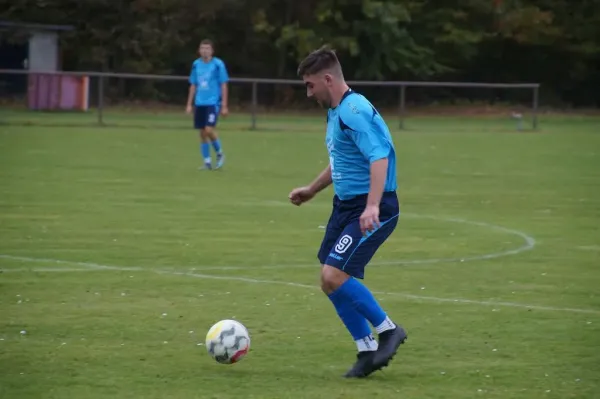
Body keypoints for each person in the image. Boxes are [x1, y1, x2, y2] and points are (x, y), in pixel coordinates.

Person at [288, 47, 407, 378]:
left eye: (311, 85)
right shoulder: (335, 110)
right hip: (346, 206)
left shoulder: (353, 110)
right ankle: (366, 350)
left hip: (374, 206)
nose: (308, 92)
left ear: (327, 79)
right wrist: (312, 189)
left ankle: (388, 330)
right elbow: (341, 160)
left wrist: (371, 206)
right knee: (329, 280)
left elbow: (379, 156)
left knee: (333, 275)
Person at [186, 39, 229, 170]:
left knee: (209, 129)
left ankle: (220, 153)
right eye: (202, 48)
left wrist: (224, 105)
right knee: (202, 133)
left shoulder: (218, 64)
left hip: (213, 102)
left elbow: (224, 84)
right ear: (199, 50)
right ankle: (207, 162)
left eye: (207, 48)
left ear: (212, 51)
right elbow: (193, 84)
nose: (204, 51)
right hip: (200, 102)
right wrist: (189, 104)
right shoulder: (196, 64)